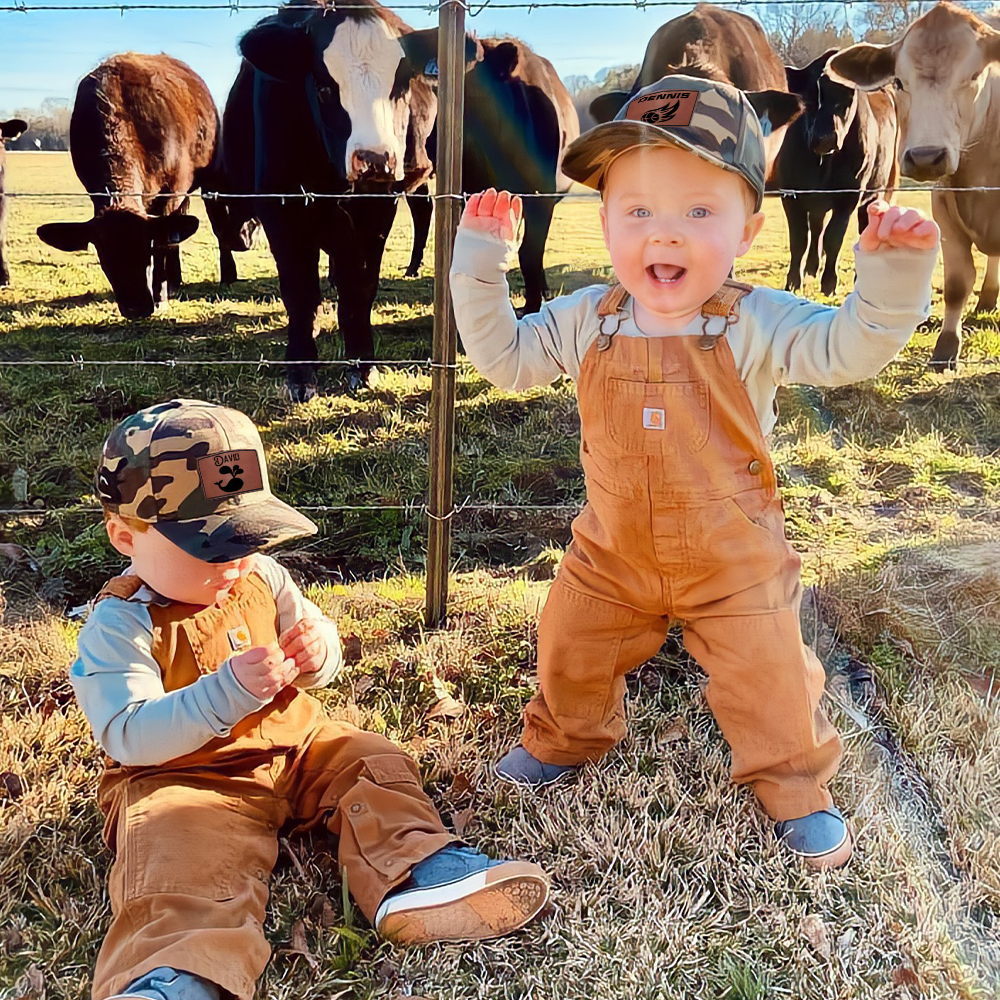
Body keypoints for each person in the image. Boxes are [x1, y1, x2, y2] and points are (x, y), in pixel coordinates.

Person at [450, 75, 939, 869]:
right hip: (612, 553)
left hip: (734, 561)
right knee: (569, 644)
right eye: (637, 211)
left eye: (698, 213)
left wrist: (891, 278)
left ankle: (792, 784)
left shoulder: (757, 318)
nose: (663, 236)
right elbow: (505, 360)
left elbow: (849, 351)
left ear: (748, 227)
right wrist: (479, 263)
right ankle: (567, 737)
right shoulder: (587, 316)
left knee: (772, 675)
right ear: (604, 219)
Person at [70, 398, 550, 1000]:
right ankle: (175, 974)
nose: (235, 560)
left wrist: (316, 653)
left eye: (246, 537)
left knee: (370, 759)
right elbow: (128, 734)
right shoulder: (121, 625)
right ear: (125, 535)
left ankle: (417, 871)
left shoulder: (261, 577)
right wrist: (225, 693)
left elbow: (319, 648)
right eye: (210, 546)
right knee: (181, 855)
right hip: (187, 776)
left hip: (297, 748)